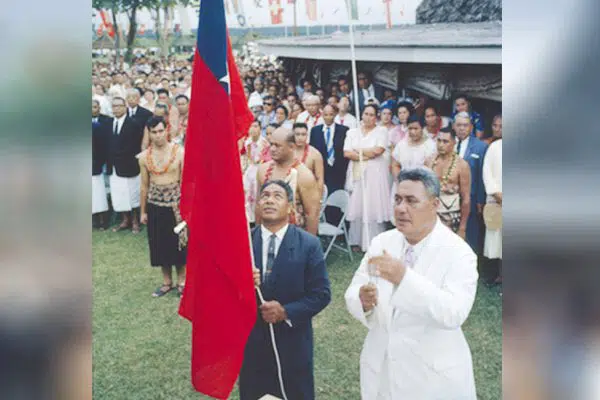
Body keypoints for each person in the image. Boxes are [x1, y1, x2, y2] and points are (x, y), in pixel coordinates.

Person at [344, 167, 478, 400]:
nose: (400, 208)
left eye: (411, 201)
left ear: (435, 204)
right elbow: (355, 289)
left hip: (431, 378)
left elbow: (454, 313)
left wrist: (403, 278)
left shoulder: (459, 253)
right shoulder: (382, 242)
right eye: (397, 199)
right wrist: (362, 301)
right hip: (383, 369)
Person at [240, 180, 331, 400]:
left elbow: (321, 294)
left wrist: (286, 311)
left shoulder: (308, 244)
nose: (269, 200)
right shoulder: (243, 243)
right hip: (252, 344)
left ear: (290, 207)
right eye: (265, 196)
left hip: (293, 344)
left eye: (277, 196)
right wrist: (241, 281)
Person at [138, 117, 187, 297]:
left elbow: (185, 182)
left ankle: (182, 281)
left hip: (176, 204)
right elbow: (144, 185)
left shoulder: (179, 152)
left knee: (179, 244)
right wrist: (143, 211)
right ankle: (167, 282)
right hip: (155, 205)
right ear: (149, 134)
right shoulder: (144, 157)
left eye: (160, 131)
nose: (158, 136)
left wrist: (186, 208)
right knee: (159, 244)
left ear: (167, 130)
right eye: (154, 132)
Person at [344, 104, 392, 252]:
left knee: (372, 203)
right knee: (358, 203)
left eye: (372, 115)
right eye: (366, 114)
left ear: (376, 116)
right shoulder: (353, 132)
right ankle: (356, 241)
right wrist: (366, 153)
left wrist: (357, 151)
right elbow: (346, 153)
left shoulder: (381, 131)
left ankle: (373, 241)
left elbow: (378, 151)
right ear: (362, 114)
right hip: (357, 172)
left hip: (374, 174)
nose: (368, 117)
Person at [256, 127, 321, 235]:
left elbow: (312, 215)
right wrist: (257, 237)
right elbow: (258, 205)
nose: (272, 149)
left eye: (277, 145)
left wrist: (309, 247)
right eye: (271, 144)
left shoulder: (304, 176)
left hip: (292, 237)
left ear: (291, 147)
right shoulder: (263, 169)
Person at [106, 97, 144, 234]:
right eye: (113, 106)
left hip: (129, 166)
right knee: (119, 194)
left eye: (119, 106)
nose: (116, 109)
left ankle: (135, 221)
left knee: (131, 194)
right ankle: (125, 220)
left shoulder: (133, 123)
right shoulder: (109, 123)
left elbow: (135, 146)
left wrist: (119, 155)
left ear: (125, 107)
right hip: (114, 166)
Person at [425, 127, 471, 238]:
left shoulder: (462, 165)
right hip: (431, 214)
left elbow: (466, 199)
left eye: (445, 141)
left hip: (451, 216)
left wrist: (462, 228)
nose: (441, 144)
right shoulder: (429, 161)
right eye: (439, 141)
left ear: (454, 142)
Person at [390, 115, 436, 219]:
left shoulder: (430, 146)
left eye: (416, 128)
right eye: (410, 128)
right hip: (401, 185)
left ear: (422, 128)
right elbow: (395, 164)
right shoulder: (401, 145)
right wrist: (399, 180)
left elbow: (429, 169)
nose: (413, 132)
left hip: (421, 187)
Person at [454, 112, 488, 253]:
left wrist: (481, 200)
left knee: (471, 235)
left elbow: (482, 176)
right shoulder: (447, 143)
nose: (462, 128)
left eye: (465, 125)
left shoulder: (480, 147)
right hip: (450, 198)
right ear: (454, 126)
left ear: (471, 127)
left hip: (472, 198)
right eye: (459, 125)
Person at [482, 134, 502, 283]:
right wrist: (496, 193)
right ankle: (500, 274)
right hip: (497, 200)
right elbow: (487, 173)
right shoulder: (494, 147)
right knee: (497, 239)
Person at [243, 120, 270, 224]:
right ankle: (249, 217)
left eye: (255, 126)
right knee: (247, 192)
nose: (253, 129)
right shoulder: (247, 142)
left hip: (260, 168)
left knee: (257, 192)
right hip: (250, 168)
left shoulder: (264, 143)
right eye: (251, 126)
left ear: (260, 128)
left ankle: (257, 217)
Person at [92, 100, 110, 230]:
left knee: (99, 194)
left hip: (96, 164)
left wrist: (99, 162)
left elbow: (102, 146)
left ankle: (103, 220)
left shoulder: (97, 126)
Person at [293, 122, 324, 196]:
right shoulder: (287, 152)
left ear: (307, 136)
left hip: (309, 193)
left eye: (303, 134)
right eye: (297, 134)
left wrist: (319, 199)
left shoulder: (315, 154)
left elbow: (320, 179)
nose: (300, 137)